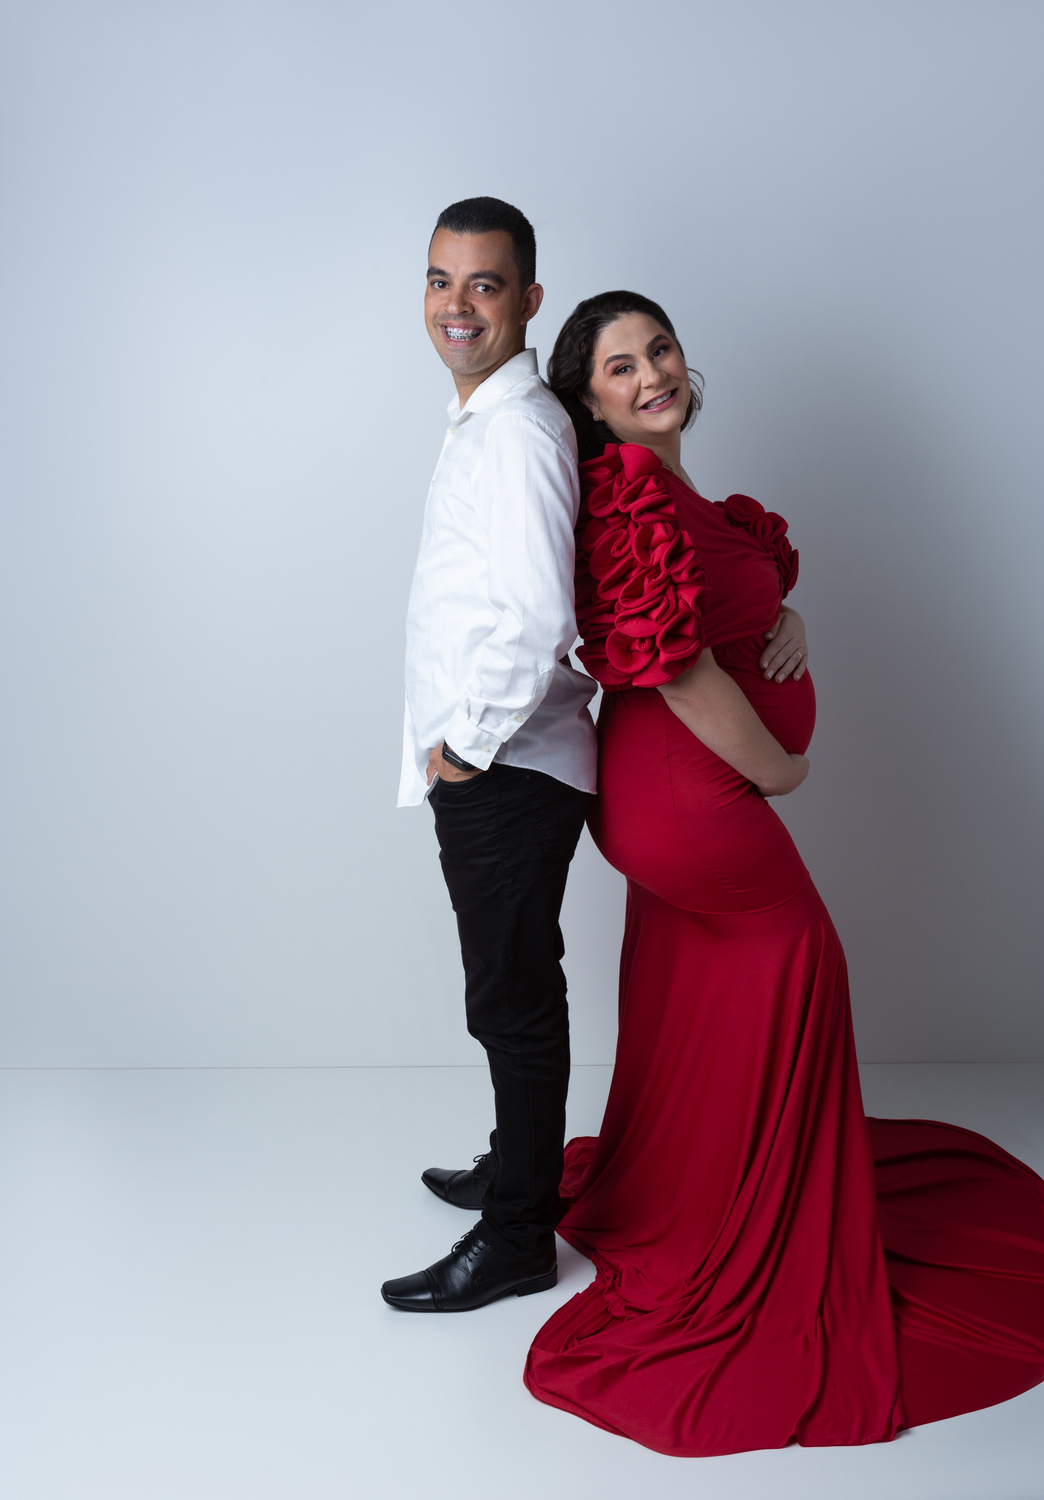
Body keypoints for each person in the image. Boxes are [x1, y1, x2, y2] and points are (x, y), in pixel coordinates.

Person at [522, 291, 1044, 1455]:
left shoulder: (679, 496)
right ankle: (760, 1230)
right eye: (620, 367)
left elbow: (723, 607)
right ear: (590, 402)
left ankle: (692, 1186)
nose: (651, 375)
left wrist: (793, 621)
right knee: (801, 961)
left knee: (701, 990)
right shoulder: (627, 497)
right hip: (689, 798)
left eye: (660, 349)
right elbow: (677, 673)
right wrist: (781, 767)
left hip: (666, 799)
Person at [380, 200, 597, 1313]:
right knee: (508, 990)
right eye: (440, 280)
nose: (456, 306)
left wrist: (463, 748)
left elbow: (537, 617)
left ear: (529, 299)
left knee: (512, 1002)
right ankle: (517, 1171)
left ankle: (518, 1239)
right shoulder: (487, 417)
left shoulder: (516, 431)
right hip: (496, 766)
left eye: (485, 283)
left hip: (507, 768)